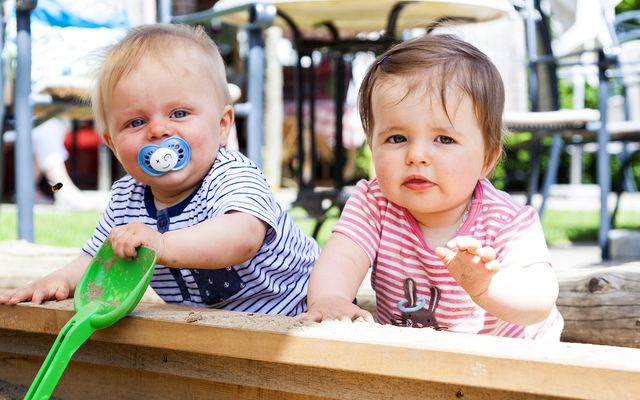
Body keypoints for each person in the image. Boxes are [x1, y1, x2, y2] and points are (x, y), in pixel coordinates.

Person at [0, 24, 320, 316]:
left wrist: (162, 244)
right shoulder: (127, 197)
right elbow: (97, 259)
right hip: (217, 328)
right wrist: (57, 280)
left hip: (301, 305)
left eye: (179, 113)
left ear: (221, 126)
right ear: (112, 143)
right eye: (136, 122)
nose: (158, 130)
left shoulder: (232, 174)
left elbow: (243, 236)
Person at [297, 34, 564, 340]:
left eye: (444, 139)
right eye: (397, 138)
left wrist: (486, 286)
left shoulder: (507, 221)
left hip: (510, 359)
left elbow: (539, 299)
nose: (417, 155)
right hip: (419, 361)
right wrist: (330, 298)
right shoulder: (375, 203)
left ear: (487, 158)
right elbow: (342, 258)